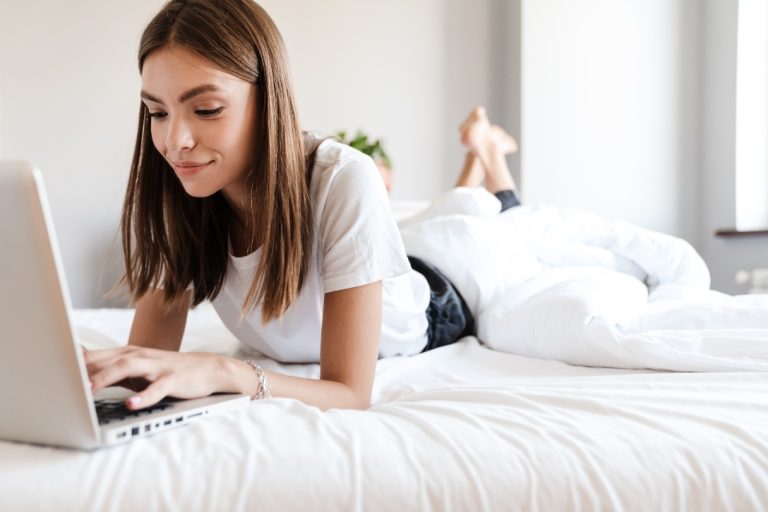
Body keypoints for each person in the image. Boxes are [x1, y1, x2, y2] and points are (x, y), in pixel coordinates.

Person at [85, 0, 521, 411]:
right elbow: (148, 361)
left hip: (436, 301)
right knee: (444, 214)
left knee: (487, 219)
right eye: (157, 113)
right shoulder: (182, 187)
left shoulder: (344, 177)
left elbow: (350, 393)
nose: (175, 142)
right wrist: (88, 373)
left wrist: (228, 371)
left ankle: (490, 158)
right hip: (386, 262)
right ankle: (478, 156)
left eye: (207, 109)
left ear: (268, 100)